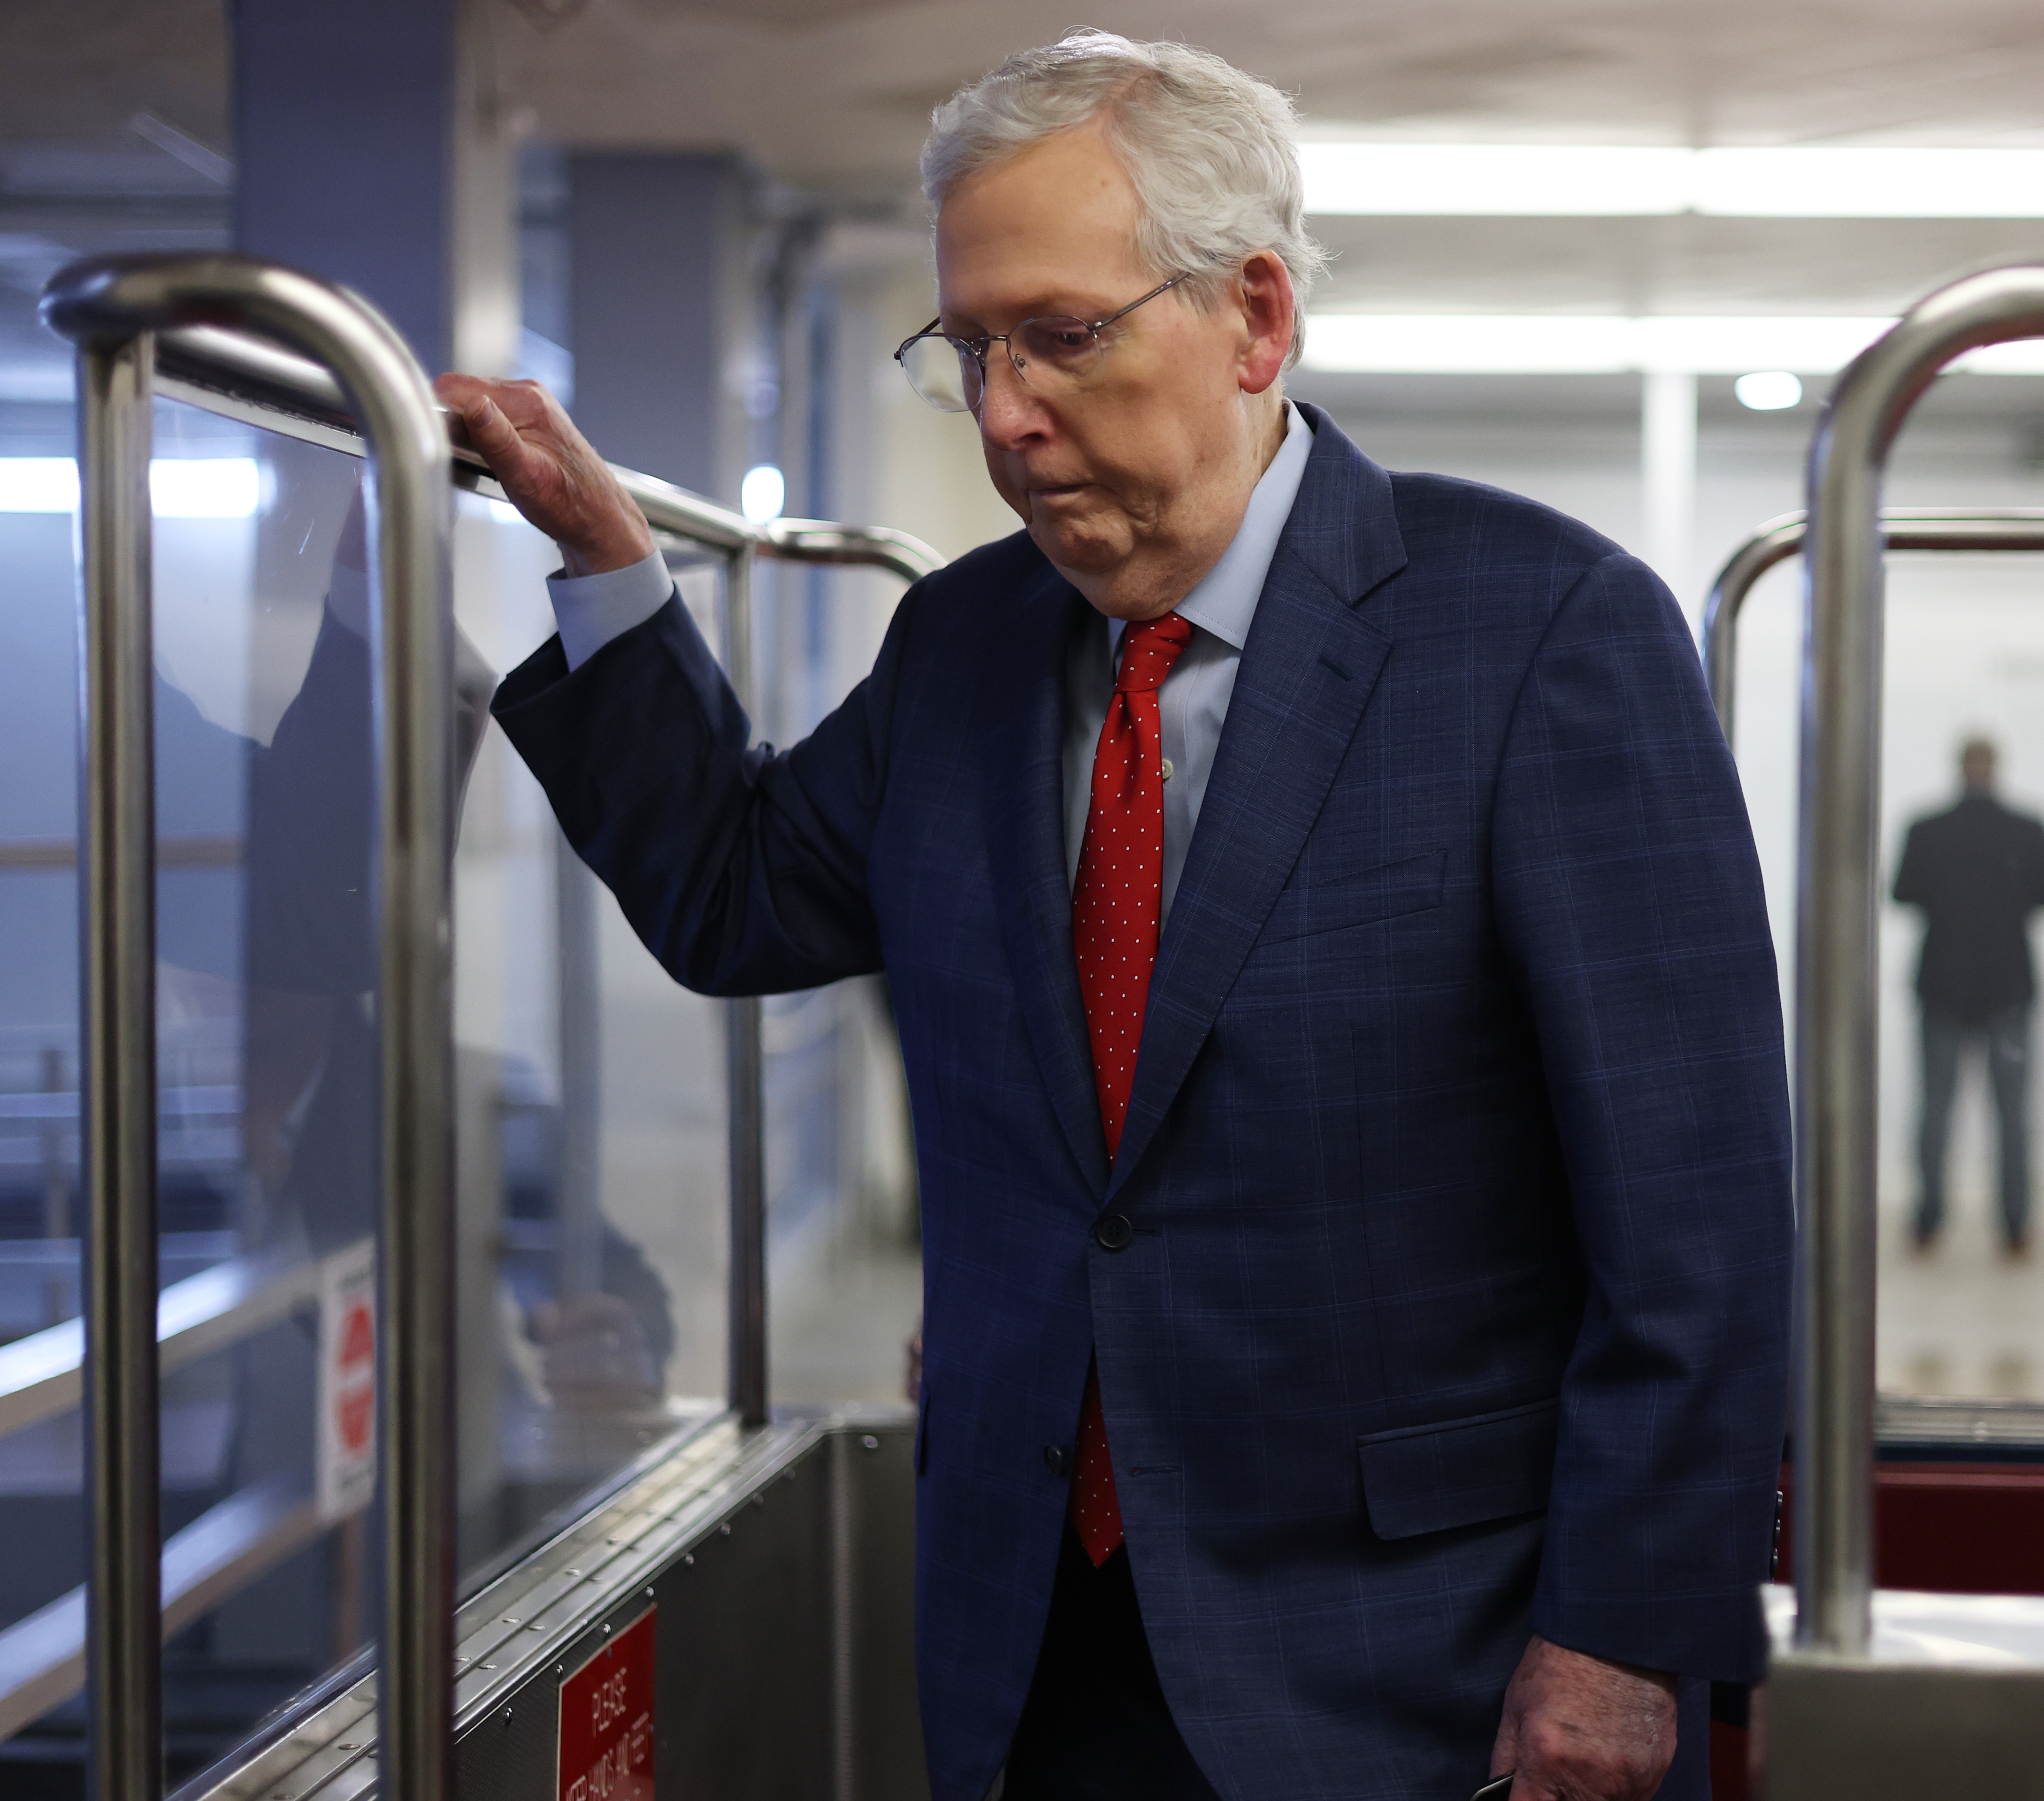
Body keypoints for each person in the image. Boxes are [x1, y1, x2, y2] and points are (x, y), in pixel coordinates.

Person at [439, 31, 1790, 1801]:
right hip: (1038, 1637)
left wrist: (1622, 1631)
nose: (1004, 409)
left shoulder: (1539, 634)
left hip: (1430, 1662)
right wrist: (612, 566)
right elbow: (739, 894)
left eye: (1063, 335)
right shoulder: (968, 647)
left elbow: (1696, 1211)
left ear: (1252, 319)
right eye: (972, 348)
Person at [1890, 736, 2044, 1258]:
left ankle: (1928, 1220)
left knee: (1936, 1108)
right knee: (2011, 1112)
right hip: (2007, 987)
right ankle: (2015, 1227)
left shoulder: (1927, 828)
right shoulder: (2028, 829)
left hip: (1944, 985)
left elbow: (1903, 893)